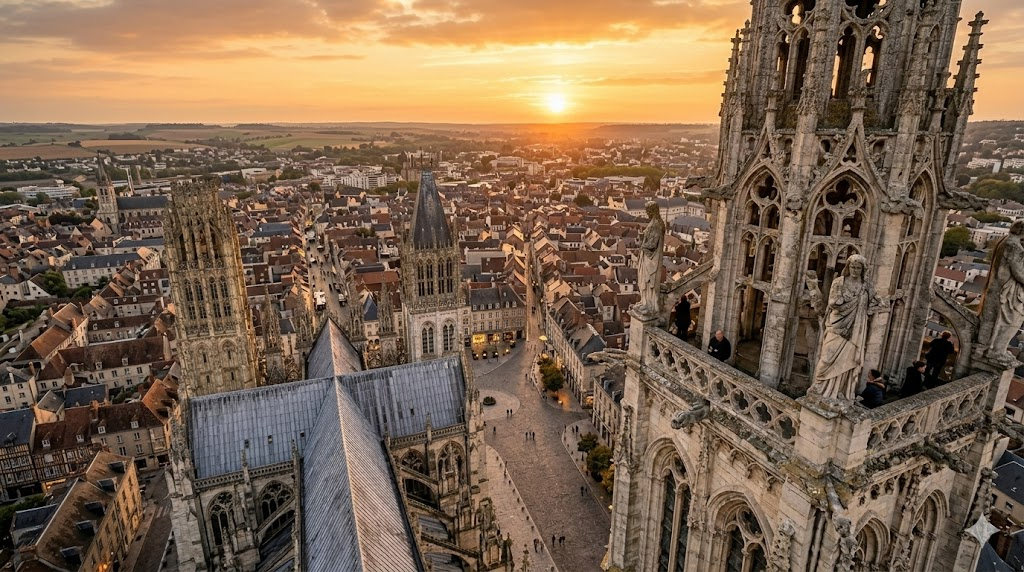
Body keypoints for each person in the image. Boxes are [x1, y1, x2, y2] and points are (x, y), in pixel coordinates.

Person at [809, 254, 879, 401]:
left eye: (858, 268)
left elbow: (874, 303)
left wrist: (873, 306)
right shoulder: (839, 282)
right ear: (848, 267)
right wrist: (837, 302)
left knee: (848, 360)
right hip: (837, 325)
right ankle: (819, 386)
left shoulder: (866, 286)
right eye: (852, 267)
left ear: (863, 269)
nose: (854, 270)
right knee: (826, 358)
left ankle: (840, 391)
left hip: (855, 328)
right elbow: (832, 303)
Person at [979, 220, 1024, 362]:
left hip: (999, 287)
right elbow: (1019, 273)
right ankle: (996, 351)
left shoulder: (1004, 241)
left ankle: (993, 349)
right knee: (1010, 321)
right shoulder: (1015, 247)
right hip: (1008, 291)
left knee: (997, 320)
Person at [635, 201, 666, 316]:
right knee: (646, 282)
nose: (646, 213)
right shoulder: (655, 223)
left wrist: (642, 244)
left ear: (652, 210)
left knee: (648, 281)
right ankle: (646, 303)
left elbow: (652, 244)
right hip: (649, 257)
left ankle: (650, 306)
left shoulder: (656, 224)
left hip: (651, 259)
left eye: (648, 210)